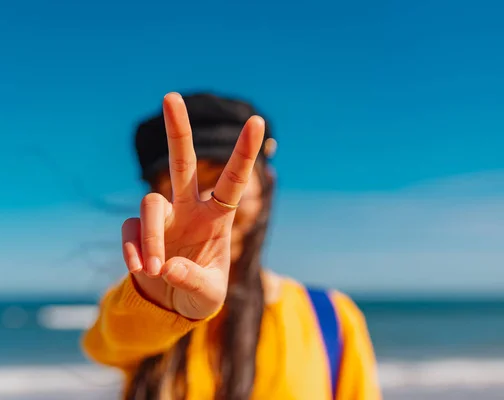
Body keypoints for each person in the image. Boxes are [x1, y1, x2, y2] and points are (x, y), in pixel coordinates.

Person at [82, 92, 381, 400]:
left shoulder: (331, 317)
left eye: (227, 178)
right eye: (190, 185)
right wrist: (158, 304)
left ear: (266, 185)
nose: (212, 200)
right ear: (158, 197)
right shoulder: (135, 298)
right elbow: (106, 346)